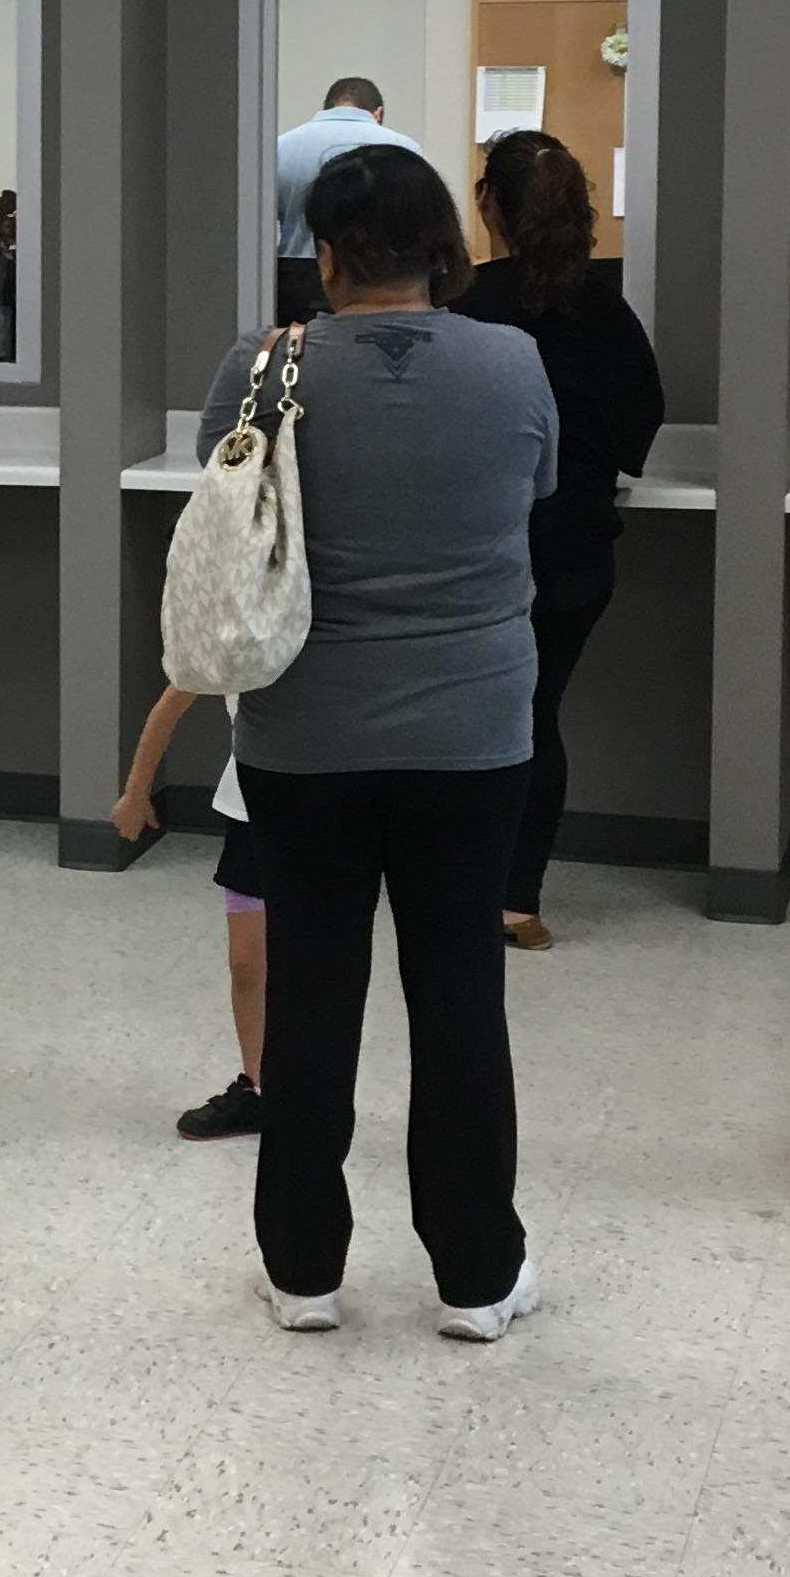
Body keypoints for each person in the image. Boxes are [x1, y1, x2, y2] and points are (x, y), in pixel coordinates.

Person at [196, 139, 557, 1338]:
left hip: (304, 735)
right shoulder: (513, 364)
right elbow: (536, 490)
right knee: (460, 997)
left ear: (327, 255)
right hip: (475, 732)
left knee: (311, 994)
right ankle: (477, 1279)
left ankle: (303, 1271)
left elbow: (226, 498)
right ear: (445, 251)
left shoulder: (261, 369)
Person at [456, 129, 666, 948]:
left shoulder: (464, 308)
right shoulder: (608, 310)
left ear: (489, 206)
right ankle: (518, 903)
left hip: (478, 552)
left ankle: (446, 885)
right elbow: (639, 423)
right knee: (536, 715)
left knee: (462, 725)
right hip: (575, 553)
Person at [111, 680, 265, 1140]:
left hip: (329, 814)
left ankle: (311, 1090)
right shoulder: (231, 645)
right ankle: (257, 1088)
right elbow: (171, 704)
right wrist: (135, 793)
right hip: (252, 810)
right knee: (246, 964)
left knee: (318, 967)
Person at [271, 77, 423, 323]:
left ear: (328, 106)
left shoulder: (280, 146)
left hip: (297, 276)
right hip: (377, 276)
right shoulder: (404, 148)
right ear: (378, 113)